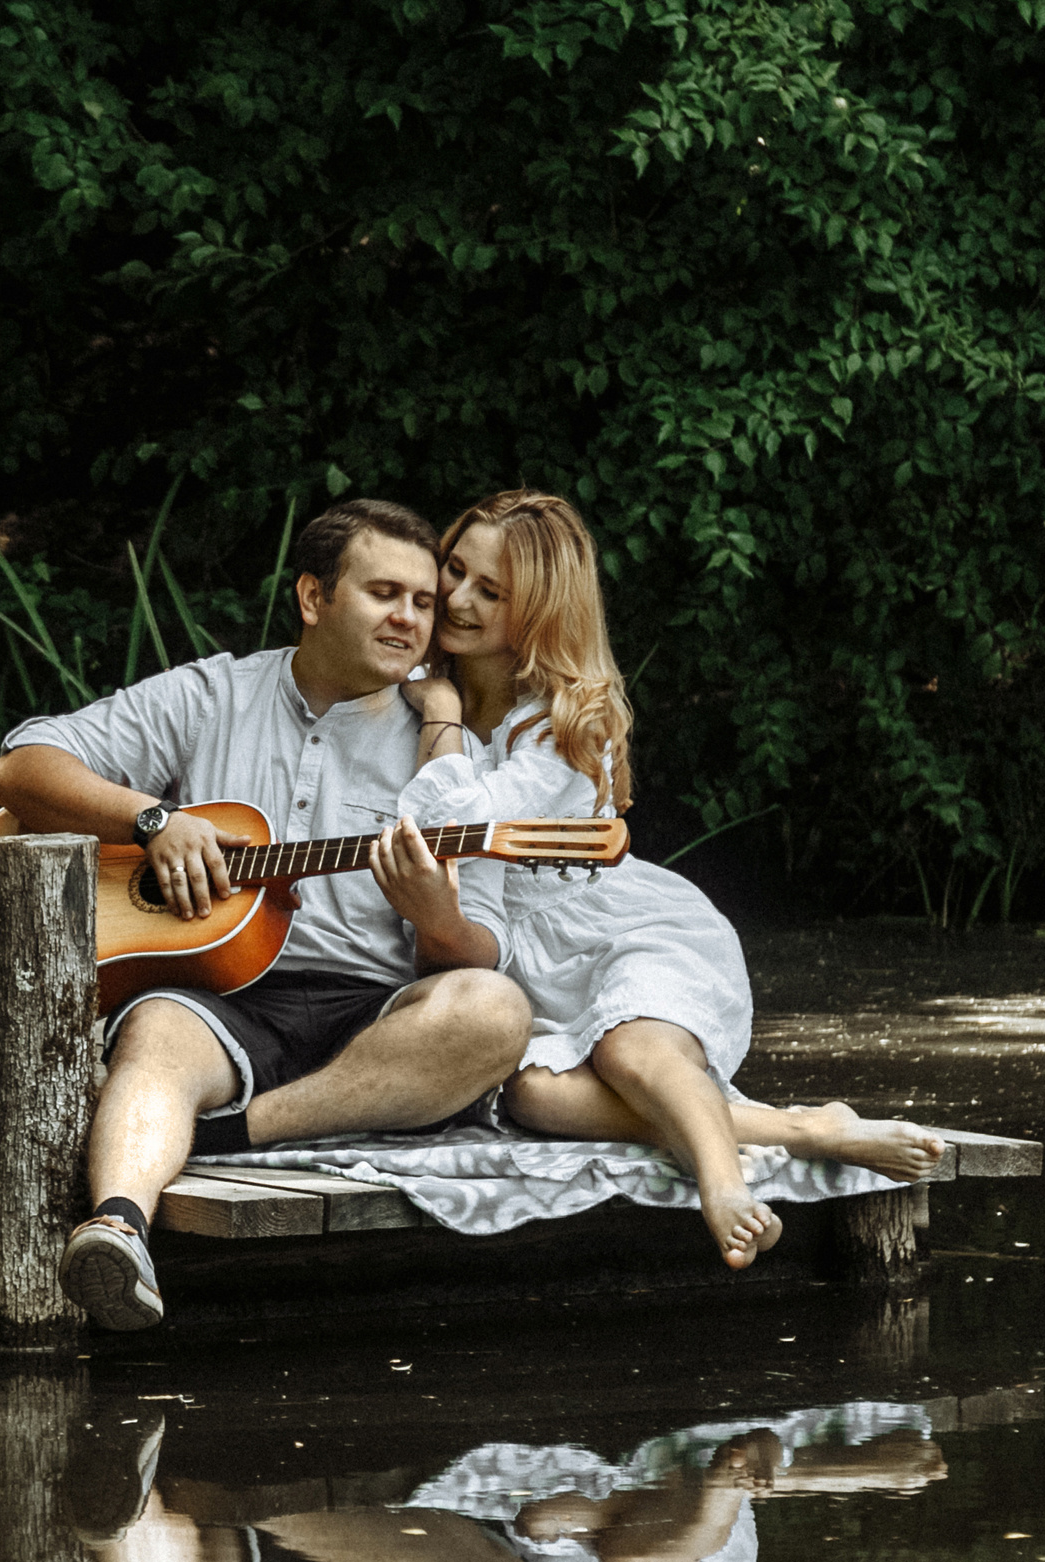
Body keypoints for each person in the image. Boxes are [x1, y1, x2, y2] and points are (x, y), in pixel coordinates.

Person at [0, 499, 534, 1332]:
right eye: (385, 593)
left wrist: (435, 920)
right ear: (314, 597)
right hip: (220, 996)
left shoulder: (451, 755)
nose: (410, 618)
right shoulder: (212, 694)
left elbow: (478, 949)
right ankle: (118, 1227)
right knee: (156, 1034)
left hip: (372, 1013)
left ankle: (229, 1134)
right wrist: (152, 821)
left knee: (494, 1011)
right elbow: (21, 768)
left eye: (424, 602)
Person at [398, 490, 944, 1270]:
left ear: (540, 612)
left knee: (632, 1056)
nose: (456, 599)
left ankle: (723, 1186)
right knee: (534, 1098)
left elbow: (456, 825)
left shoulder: (564, 722)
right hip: (525, 964)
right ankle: (807, 1127)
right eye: (455, 570)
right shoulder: (409, 677)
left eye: (492, 591)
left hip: (619, 929)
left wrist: (442, 713)